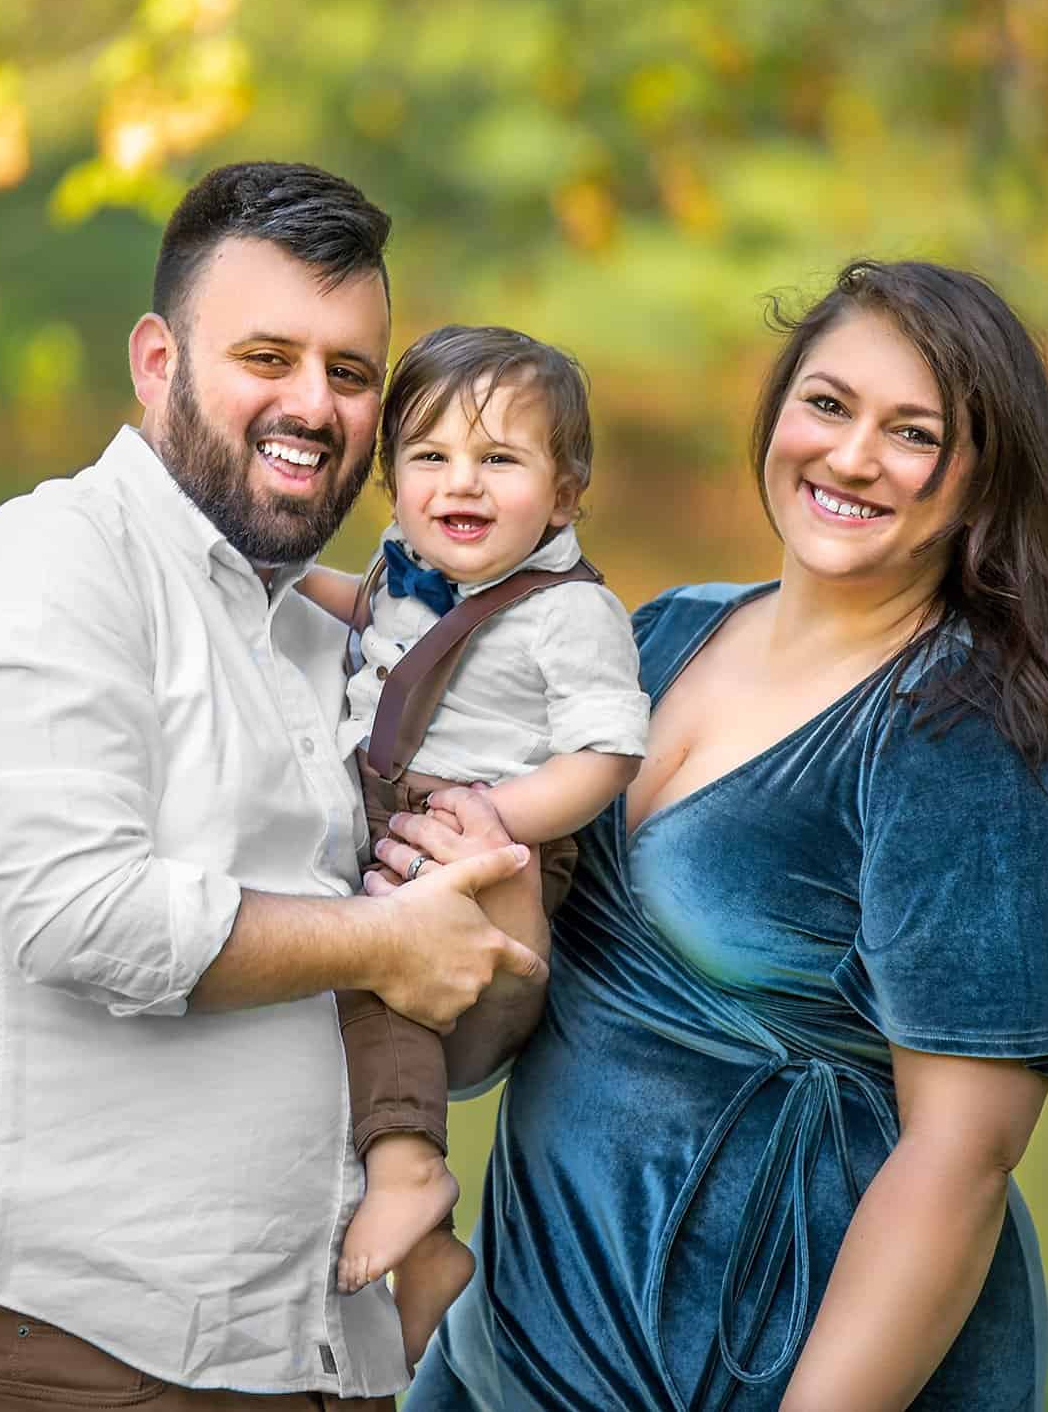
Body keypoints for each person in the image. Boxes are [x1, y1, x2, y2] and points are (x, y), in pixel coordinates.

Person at [394, 260, 1048, 1411]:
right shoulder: (658, 633)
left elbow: (962, 1159)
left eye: (911, 431)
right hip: (514, 1354)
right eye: (827, 404)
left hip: (765, 1377)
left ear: (979, 483)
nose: (851, 455)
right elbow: (500, 1039)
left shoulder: (958, 735)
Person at [0, 161, 550, 1411]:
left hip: (325, 1357)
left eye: (350, 373)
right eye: (268, 356)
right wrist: (383, 935)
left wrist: (491, 943)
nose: (314, 404)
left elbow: (416, 1019)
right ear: (156, 362)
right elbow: (79, 914)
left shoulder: (336, 646)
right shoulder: (50, 563)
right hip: (75, 1355)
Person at [294, 325, 648, 1358]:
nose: (464, 483)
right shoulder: (409, 566)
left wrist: (503, 820)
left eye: (500, 460)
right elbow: (373, 620)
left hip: (486, 833)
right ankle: (432, 1251)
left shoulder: (568, 616)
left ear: (567, 493)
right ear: (391, 479)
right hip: (397, 811)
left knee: (379, 972)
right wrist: (273, 581)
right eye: (432, 457)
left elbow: (605, 754)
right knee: (335, 980)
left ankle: (412, 1179)